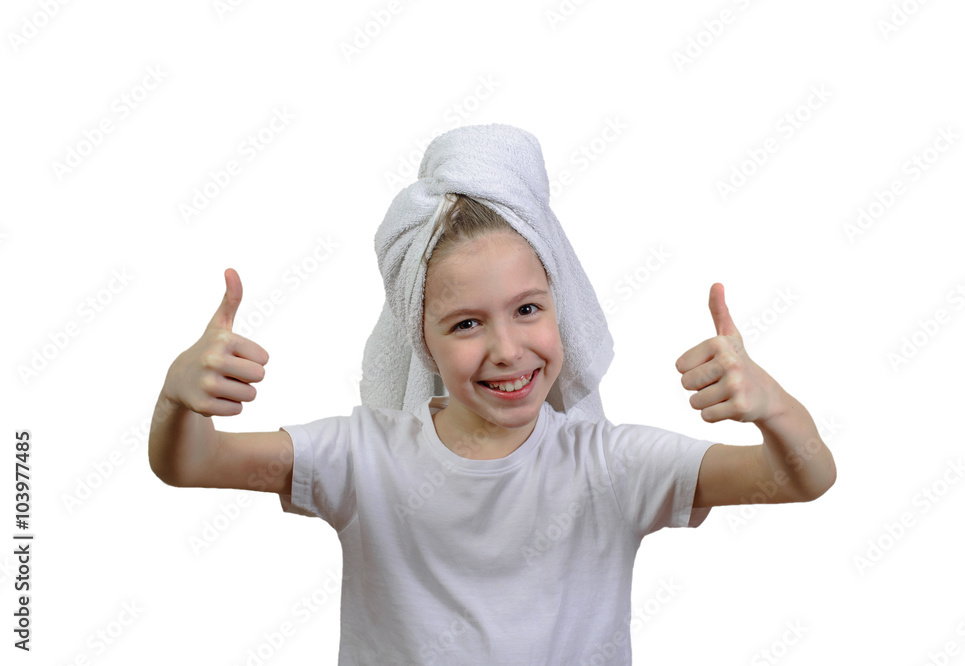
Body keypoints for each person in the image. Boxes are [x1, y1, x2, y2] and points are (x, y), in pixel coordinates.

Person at [148, 126, 835, 664]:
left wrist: (773, 407)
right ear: (421, 336)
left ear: (562, 307)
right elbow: (189, 463)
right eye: (467, 323)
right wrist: (179, 399)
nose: (507, 349)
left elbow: (800, 478)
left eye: (528, 309)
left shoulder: (610, 465)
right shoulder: (363, 457)